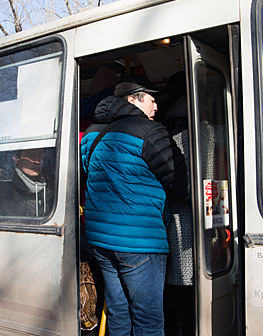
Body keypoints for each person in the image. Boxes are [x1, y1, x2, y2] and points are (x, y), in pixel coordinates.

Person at [80, 74, 188, 335]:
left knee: (118, 312)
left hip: (101, 242)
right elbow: (179, 180)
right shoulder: (150, 131)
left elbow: (86, 177)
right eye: (152, 99)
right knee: (148, 319)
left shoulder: (91, 135)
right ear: (133, 99)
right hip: (140, 242)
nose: (156, 106)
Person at [0, 148, 54, 217]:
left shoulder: (52, 184)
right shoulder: (2, 191)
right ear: (16, 159)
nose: (37, 161)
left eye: (40, 154)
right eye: (30, 155)